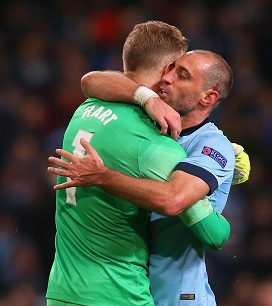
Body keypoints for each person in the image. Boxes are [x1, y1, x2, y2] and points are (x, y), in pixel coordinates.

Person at [46, 21, 234, 306]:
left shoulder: (88, 108)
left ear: (209, 97)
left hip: (175, 296)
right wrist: (145, 97)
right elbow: (90, 80)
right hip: (122, 290)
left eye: (181, 75)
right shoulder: (151, 140)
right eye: (172, 70)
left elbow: (190, 213)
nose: (169, 79)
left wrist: (104, 176)